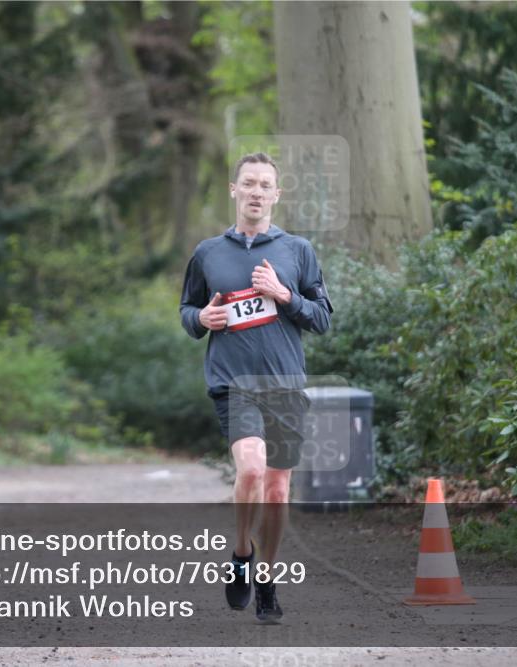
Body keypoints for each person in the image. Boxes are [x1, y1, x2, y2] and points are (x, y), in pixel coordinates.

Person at [179, 152, 333, 623]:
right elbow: (188, 312)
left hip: (285, 383)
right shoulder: (208, 253)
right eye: (249, 183)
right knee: (250, 470)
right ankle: (241, 552)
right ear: (234, 190)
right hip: (234, 383)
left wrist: (284, 295)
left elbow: (322, 317)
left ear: (276, 195)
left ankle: (266, 577)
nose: (257, 192)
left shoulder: (297, 251)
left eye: (266, 185)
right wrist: (202, 318)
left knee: (279, 491)